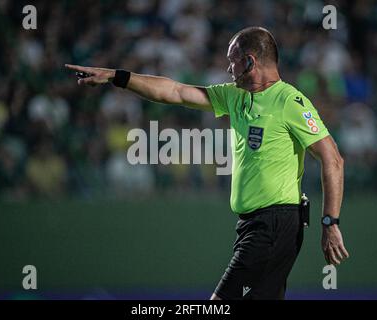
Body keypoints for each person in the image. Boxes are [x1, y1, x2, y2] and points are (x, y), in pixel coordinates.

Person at [65, 26, 349, 300]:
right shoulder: (235, 96)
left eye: (232, 61)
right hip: (255, 225)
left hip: (274, 226)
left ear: (249, 61)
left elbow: (332, 159)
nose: (228, 69)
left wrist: (330, 222)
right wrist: (117, 77)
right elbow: (174, 92)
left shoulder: (290, 102)